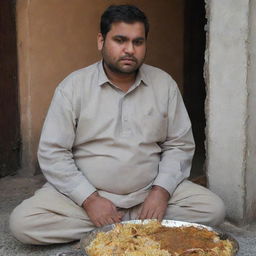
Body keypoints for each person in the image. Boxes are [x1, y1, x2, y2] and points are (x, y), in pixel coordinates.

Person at [9, 4, 225, 245]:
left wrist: (160, 192)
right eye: (120, 40)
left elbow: (179, 145)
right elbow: (53, 152)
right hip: (88, 200)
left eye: (138, 42)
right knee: (24, 222)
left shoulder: (164, 85)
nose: (129, 50)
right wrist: (90, 200)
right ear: (101, 41)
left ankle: (115, 228)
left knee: (212, 209)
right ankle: (137, 226)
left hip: (148, 195)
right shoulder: (73, 87)